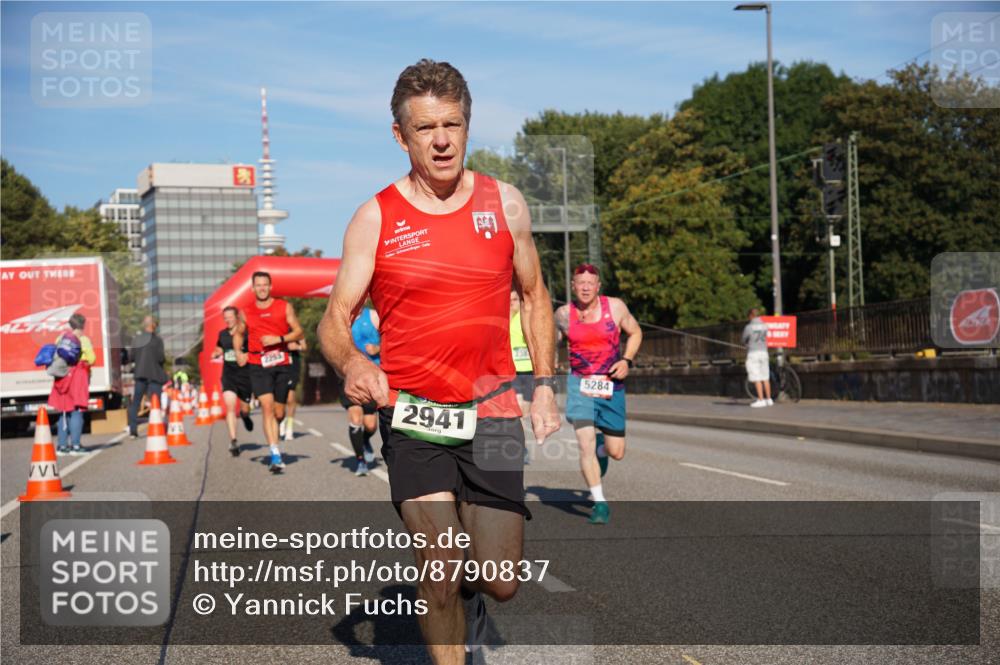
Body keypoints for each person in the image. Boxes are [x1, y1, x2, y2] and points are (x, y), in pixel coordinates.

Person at [317, 59, 560, 665]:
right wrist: (352, 363)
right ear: (401, 136)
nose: (442, 140)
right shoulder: (375, 217)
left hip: (494, 409)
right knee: (440, 562)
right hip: (413, 415)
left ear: (468, 126)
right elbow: (334, 318)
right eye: (426, 128)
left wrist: (544, 385)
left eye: (452, 124)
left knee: (501, 580)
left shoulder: (505, 204)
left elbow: (535, 294)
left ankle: (471, 596)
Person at [555, 263, 643, 525]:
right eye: (580, 283)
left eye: (590, 283)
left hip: (611, 384)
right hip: (579, 385)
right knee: (585, 445)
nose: (585, 287)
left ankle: (602, 449)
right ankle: (600, 503)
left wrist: (627, 360)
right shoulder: (563, 314)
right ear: (572, 286)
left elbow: (636, 332)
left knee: (617, 452)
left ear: (598, 286)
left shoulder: (615, 307)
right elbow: (549, 344)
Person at [233, 271, 304, 474]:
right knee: (267, 407)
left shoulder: (284, 306)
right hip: (258, 364)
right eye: (258, 285)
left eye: (265, 284)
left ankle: (276, 432)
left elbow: (298, 332)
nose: (262, 288)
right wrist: (238, 352)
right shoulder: (246, 311)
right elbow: (238, 333)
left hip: (281, 363)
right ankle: (274, 453)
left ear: (270, 287)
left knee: (279, 412)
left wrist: (279, 339)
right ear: (253, 288)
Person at [339, 304, 381, 476]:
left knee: (370, 425)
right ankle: (360, 461)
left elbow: (394, 338)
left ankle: (364, 440)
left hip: (372, 376)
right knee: (356, 417)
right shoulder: (341, 318)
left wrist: (379, 348)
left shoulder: (373, 316)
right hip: (348, 375)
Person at [48, 313, 95, 455]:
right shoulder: (84, 340)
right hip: (77, 377)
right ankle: (76, 446)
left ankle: (62, 446)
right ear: (83, 325)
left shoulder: (61, 338)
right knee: (76, 411)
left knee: (63, 411)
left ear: (71, 324)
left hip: (62, 376)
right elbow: (92, 359)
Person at [211, 306, 255, 456]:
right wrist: (216, 353)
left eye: (230, 316)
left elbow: (254, 349)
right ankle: (234, 440)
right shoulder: (222, 334)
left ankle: (245, 416)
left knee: (244, 408)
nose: (228, 319)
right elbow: (219, 347)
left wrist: (246, 355)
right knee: (230, 406)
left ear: (236, 317)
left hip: (245, 375)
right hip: (229, 374)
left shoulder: (245, 333)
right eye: (225, 317)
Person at [128, 316, 169, 439]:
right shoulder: (157, 340)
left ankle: (133, 431)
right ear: (154, 326)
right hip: (154, 375)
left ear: (144, 325)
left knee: (136, 402)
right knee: (155, 402)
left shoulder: (136, 339)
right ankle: (157, 427)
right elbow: (161, 358)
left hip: (140, 374)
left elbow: (131, 356)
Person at [509, 288, 533, 465]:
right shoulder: (503, 319)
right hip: (512, 372)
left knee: (524, 413)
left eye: (515, 300)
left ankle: (521, 444)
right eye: (508, 300)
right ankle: (521, 448)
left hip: (528, 372)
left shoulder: (526, 318)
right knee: (517, 412)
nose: (511, 303)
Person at [742, 307, 773, 408]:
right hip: (764, 352)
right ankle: (769, 399)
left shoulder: (749, 327)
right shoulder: (765, 326)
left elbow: (744, 339)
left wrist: (747, 344)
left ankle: (760, 399)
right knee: (765, 377)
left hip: (753, 353)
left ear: (751, 316)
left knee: (756, 377)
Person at [280, 338, 306, 442]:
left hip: (292, 367)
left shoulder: (296, 331)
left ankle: (289, 428)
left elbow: (304, 347)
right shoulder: (275, 330)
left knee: (290, 399)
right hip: (278, 366)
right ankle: (281, 421)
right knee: (279, 399)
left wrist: (297, 347)